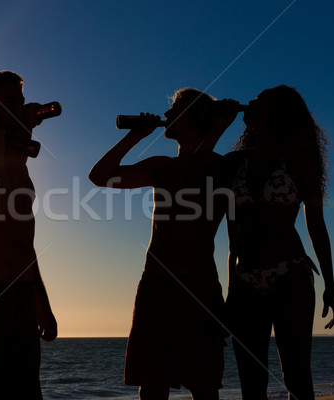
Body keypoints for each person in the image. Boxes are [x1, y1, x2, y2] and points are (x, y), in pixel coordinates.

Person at [89, 88, 239, 400]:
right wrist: (134, 137)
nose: (167, 115)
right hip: (155, 285)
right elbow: (99, 177)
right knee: (152, 384)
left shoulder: (223, 167)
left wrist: (214, 133)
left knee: (204, 386)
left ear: (197, 116)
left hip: (198, 286)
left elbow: (192, 184)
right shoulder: (162, 166)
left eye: (176, 110)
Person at [224, 85, 334, 400]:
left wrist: (330, 284)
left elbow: (316, 225)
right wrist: (231, 286)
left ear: (277, 112)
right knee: (251, 382)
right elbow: (230, 234)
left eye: (260, 100)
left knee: (297, 377)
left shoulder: (300, 162)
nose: (250, 102)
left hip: (291, 272)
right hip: (245, 278)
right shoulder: (234, 163)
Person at [0, 70, 57, 399]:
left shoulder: (15, 158)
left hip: (20, 295)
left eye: (21, 101)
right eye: (11, 102)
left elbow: (23, 242)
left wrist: (41, 303)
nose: (23, 109)